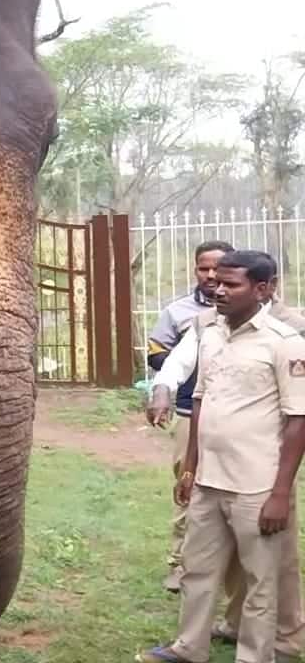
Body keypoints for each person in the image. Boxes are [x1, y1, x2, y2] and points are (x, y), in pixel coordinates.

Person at [138, 250, 305, 663]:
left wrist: (281, 492)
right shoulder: (209, 334)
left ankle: (255, 655)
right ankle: (188, 648)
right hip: (209, 480)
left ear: (263, 289)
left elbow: (299, 420)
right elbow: (198, 402)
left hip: (256, 484)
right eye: (215, 282)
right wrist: (190, 466)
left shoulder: (284, 343)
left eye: (231, 284)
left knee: (260, 581)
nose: (218, 289)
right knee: (198, 570)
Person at [146, 240, 235, 592]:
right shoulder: (181, 313)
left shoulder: (260, 312)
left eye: (219, 268)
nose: (211, 276)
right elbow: (159, 354)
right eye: (203, 268)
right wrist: (174, 380)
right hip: (189, 413)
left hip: (242, 419)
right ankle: (180, 564)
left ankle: (229, 571)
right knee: (188, 486)